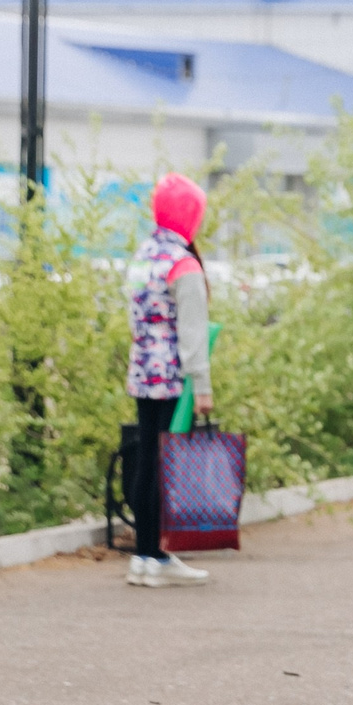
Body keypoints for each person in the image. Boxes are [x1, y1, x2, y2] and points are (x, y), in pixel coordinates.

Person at [122, 172, 215, 587]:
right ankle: (155, 556)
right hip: (173, 376)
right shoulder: (184, 262)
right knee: (165, 462)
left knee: (146, 460)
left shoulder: (144, 255)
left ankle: (144, 555)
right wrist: (204, 386)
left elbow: (133, 316)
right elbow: (193, 330)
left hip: (142, 370)